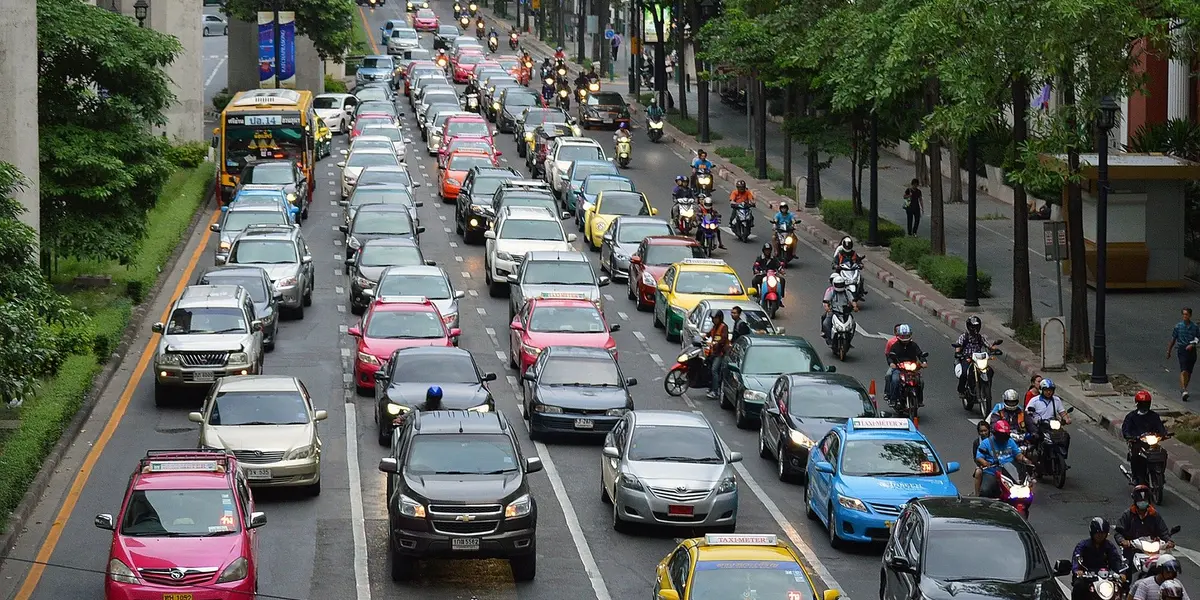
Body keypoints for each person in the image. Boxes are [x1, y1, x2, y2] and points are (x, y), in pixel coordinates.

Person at [1114, 485, 1175, 567]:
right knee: (1127, 568)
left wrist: (1169, 540)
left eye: (1145, 500)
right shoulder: (1128, 515)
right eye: (1140, 500)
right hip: (1133, 548)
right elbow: (1118, 531)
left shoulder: (1154, 515)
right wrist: (1122, 541)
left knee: (1166, 565)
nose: (1142, 502)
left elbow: (1163, 531)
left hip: (1152, 547)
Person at [975, 420, 1033, 498]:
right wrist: (986, 463)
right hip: (992, 472)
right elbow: (979, 457)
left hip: (1010, 472)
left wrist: (1025, 460)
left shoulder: (1010, 442)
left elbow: (1018, 455)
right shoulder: (986, 443)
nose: (1003, 437)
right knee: (985, 491)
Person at [1071, 517, 1126, 600]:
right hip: (1087, 576)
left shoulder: (1109, 546)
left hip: (1105, 576)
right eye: (1098, 533)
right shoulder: (1083, 545)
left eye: (1103, 533)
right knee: (1078, 586)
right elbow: (1076, 558)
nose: (1100, 536)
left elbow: (1116, 560)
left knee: (1122, 587)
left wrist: (1121, 572)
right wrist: (1078, 571)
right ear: (1092, 533)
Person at [1122, 390, 1169, 485]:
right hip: (1137, 442)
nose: (1144, 406)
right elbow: (1126, 429)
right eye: (1142, 403)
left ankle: (1161, 474)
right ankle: (1135, 476)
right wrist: (1130, 436)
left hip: (1152, 443)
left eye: (1146, 403)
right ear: (1137, 404)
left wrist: (1164, 434)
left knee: (1163, 454)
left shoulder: (1154, 416)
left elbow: (1160, 427)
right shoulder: (1131, 417)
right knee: (1135, 456)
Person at [1027, 378, 1072, 455]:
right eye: (1046, 390)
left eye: (1050, 390)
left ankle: (1062, 454)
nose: (1049, 392)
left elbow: (1062, 412)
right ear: (1042, 390)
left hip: (1052, 425)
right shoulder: (1034, 400)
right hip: (1039, 425)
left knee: (1065, 436)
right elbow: (1027, 413)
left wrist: (1067, 419)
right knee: (1035, 438)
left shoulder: (1056, 400)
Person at [885, 324, 927, 406]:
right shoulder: (895, 346)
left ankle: (919, 400)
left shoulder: (914, 345)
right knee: (895, 380)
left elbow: (920, 354)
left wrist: (924, 362)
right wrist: (892, 363)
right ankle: (893, 399)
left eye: (906, 336)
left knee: (920, 382)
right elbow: (890, 356)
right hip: (899, 368)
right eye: (903, 336)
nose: (905, 338)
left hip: (912, 369)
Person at [955, 315, 994, 398]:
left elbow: (988, 345)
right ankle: (961, 390)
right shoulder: (963, 337)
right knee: (964, 373)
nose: (975, 329)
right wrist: (958, 352)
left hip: (979, 359)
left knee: (990, 371)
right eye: (973, 327)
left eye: (976, 327)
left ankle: (986, 388)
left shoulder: (980, 337)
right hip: (968, 359)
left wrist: (994, 349)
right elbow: (958, 346)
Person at [1167, 307, 1199, 402]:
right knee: (1184, 370)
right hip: (1182, 349)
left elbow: (1198, 338)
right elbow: (1173, 339)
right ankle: (1184, 390)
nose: (1185, 316)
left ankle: (1184, 388)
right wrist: (1169, 351)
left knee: (1189, 372)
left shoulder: (1195, 327)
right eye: (1184, 314)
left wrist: (1192, 344)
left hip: (1192, 350)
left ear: (1190, 315)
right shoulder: (1178, 326)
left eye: (1186, 314)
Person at [704, 310, 730, 400]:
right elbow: (709, 334)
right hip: (713, 352)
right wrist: (703, 337)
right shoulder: (714, 327)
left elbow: (723, 339)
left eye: (716, 318)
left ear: (720, 318)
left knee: (714, 370)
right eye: (713, 318)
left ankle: (715, 391)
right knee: (708, 368)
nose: (714, 320)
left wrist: (716, 343)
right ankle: (711, 386)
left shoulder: (723, 327)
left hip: (720, 353)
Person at [821, 275, 856, 343]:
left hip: (845, 312)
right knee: (826, 323)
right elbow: (826, 302)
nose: (839, 286)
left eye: (841, 284)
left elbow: (852, 300)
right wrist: (827, 308)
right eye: (838, 285)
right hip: (834, 311)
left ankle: (849, 339)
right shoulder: (831, 292)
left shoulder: (847, 292)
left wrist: (855, 307)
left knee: (853, 324)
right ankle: (829, 338)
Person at [971, 420, 992, 496]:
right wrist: (982, 465)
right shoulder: (976, 443)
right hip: (982, 466)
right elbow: (975, 458)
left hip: (994, 465)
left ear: (989, 430)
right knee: (978, 473)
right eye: (981, 431)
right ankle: (977, 494)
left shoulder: (994, 441)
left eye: (985, 430)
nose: (983, 433)